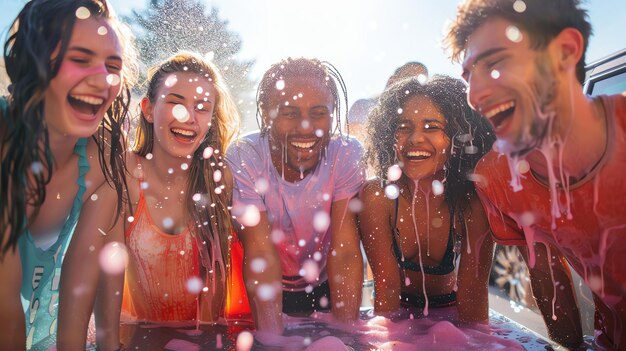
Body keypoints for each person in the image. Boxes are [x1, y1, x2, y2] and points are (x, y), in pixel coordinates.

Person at [445, 0, 623, 348]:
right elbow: (546, 273)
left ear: (564, 52)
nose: (475, 95)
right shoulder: (498, 176)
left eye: (495, 62)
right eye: (469, 76)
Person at [57, 51, 246, 349]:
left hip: (204, 339)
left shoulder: (218, 179)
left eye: (202, 108)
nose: (188, 117)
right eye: (174, 102)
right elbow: (97, 263)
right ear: (148, 109)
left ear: (210, 120)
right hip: (137, 338)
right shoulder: (126, 175)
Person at [0, 0, 135, 350]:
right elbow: (4, 316)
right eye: (79, 59)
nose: (102, 79)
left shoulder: (102, 155)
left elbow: (80, 285)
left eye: (113, 65)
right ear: (34, 62)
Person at [226, 58, 365, 333]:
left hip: (325, 286)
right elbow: (261, 253)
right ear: (266, 114)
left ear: (333, 112)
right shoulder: (246, 155)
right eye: (289, 113)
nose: (305, 127)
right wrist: (271, 341)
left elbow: (346, 250)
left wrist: (347, 336)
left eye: (318, 113)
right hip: (262, 286)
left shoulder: (346, 152)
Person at [360, 75, 495, 322]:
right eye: (403, 127)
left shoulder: (472, 201)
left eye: (432, 127)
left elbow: (474, 293)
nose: (415, 139)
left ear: (459, 137)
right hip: (397, 313)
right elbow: (387, 286)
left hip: (451, 314)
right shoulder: (378, 197)